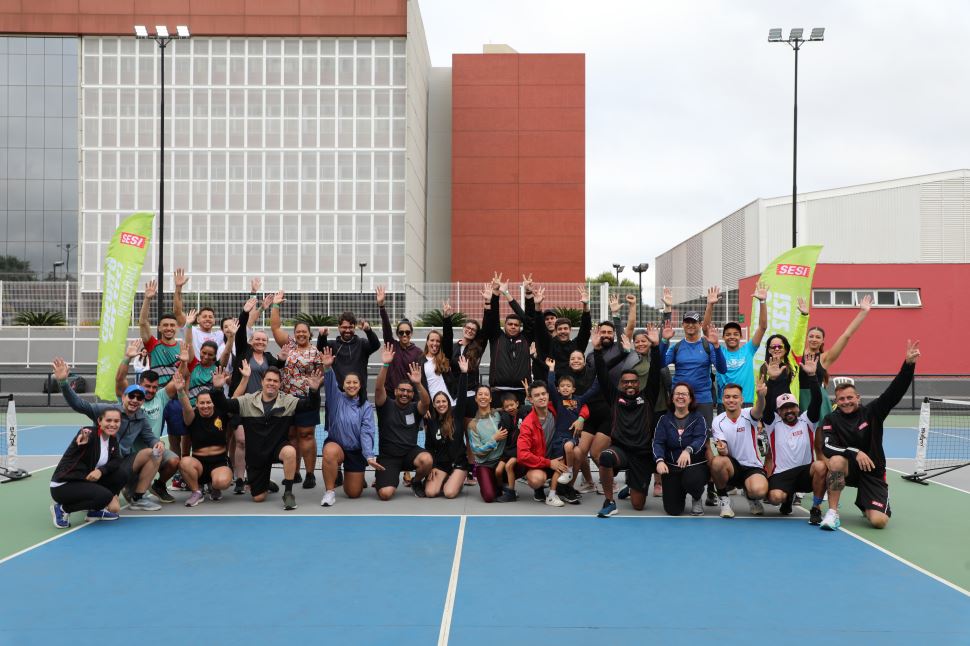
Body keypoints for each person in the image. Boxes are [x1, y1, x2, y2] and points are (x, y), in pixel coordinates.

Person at [819, 340, 920, 531]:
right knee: (836, 461)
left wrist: (908, 365)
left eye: (850, 397)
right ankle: (832, 513)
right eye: (842, 399)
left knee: (879, 522)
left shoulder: (872, 412)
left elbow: (894, 392)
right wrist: (855, 452)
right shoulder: (831, 419)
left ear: (858, 398)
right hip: (849, 469)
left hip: (873, 472)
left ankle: (866, 502)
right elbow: (827, 447)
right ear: (836, 401)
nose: (846, 401)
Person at [53, 357, 169, 512]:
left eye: (139, 398)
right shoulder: (107, 411)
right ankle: (70, 504)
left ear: (142, 401)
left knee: (154, 452)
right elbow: (79, 405)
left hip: (119, 464)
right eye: (131, 396)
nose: (135, 400)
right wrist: (63, 383)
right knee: (113, 507)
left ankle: (138, 498)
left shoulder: (141, 418)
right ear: (123, 397)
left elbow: (150, 437)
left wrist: (158, 443)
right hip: (100, 464)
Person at [209, 366, 322, 510]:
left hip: (277, 449)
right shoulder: (247, 401)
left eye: (275, 381)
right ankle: (265, 483)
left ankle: (288, 493)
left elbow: (311, 405)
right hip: (256, 455)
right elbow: (224, 405)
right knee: (258, 498)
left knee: (290, 452)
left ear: (280, 384)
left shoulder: (287, 401)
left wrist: (314, 391)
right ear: (262, 382)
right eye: (269, 380)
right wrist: (217, 389)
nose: (271, 383)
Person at [591, 326, 664, 517]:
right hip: (621, 450)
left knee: (638, 505)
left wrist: (656, 347)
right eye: (626, 382)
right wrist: (597, 350)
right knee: (605, 457)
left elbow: (655, 372)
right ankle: (609, 501)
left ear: (639, 383)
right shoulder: (614, 397)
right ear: (620, 384)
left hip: (642, 454)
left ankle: (632, 485)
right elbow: (602, 374)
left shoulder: (648, 397)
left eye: (633, 382)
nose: (629, 384)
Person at [113, 341, 184, 502]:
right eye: (147, 386)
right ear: (139, 384)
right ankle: (131, 485)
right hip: (132, 454)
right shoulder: (132, 398)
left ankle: (159, 485)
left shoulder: (161, 396)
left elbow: (177, 380)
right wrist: (127, 358)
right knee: (131, 494)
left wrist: (184, 362)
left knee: (174, 461)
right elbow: (119, 379)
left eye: (154, 387)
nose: (151, 390)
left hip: (154, 449)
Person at [761, 356, 828, 524]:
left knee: (820, 466)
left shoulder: (807, 420)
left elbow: (817, 400)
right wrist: (772, 380)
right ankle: (787, 497)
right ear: (778, 412)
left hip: (805, 473)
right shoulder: (773, 424)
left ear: (798, 408)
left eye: (791, 407)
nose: (789, 411)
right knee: (775, 498)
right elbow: (767, 406)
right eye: (784, 408)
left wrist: (812, 376)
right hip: (782, 474)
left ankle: (816, 508)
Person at [229, 296, 284, 494]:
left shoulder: (269, 358)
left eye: (264, 340)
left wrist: (282, 360)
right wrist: (245, 312)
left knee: (260, 445)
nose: (260, 341)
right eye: (257, 339)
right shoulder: (243, 352)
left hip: (262, 407)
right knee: (241, 441)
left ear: (267, 343)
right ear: (251, 341)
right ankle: (239, 479)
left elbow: (277, 373)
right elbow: (241, 331)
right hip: (242, 403)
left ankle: (258, 478)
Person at [269, 290, 324, 489]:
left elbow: (320, 377)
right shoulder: (289, 346)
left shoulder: (315, 352)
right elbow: (275, 327)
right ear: (294, 334)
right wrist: (275, 305)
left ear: (309, 334)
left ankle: (310, 474)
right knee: (291, 435)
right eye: (298, 331)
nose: (301, 334)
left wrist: (312, 390)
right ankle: (294, 473)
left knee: (306, 434)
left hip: (306, 400)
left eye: (304, 331)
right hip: (286, 399)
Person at [318, 346, 378, 506]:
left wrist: (369, 455)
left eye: (355, 382)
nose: (352, 385)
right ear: (343, 385)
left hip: (355, 451)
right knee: (329, 452)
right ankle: (329, 492)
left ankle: (353, 475)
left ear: (360, 385)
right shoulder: (335, 398)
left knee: (353, 493)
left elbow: (367, 432)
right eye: (348, 382)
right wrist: (327, 368)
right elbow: (330, 383)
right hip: (337, 446)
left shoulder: (365, 406)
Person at [374, 344, 433, 500]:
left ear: (412, 394)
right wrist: (385, 365)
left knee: (427, 460)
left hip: (409, 454)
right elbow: (379, 389)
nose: (405, 393)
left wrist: (418, 383)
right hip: (388, 457)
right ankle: (383, 478)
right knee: (385, 494)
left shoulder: (415, 408)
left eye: (408, 391)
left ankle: (416, 482)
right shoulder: (385, 405)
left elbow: (426, 403)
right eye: (402, 390)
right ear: (395, 391)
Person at [50, 410, 124, 528]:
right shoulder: (91, 434)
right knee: (104, 496)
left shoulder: (112, 439)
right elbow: (84, 434)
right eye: (108, 420)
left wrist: (101, 471)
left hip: (84, 481)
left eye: (116, 421)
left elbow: (116, 460)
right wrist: (82, 437)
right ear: (99, 421)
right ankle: (62, 509)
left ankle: (94, 510)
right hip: (63, 485)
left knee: (121, 474)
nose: (112, 424)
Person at [516, 379, 584, 507]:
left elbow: (581, 405)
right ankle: (539, 489)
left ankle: (565, 487)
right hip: (540, 463)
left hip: (558, 457)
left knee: (577, 452)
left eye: (543, 393)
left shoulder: (557, 407)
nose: (541, 397)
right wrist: (548, 463)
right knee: (536, 479)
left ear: (548, 395)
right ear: (531, 399)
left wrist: (581, 419)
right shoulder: (527, 424)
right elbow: (522, 455)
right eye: (537, 395)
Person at [801, 294, 872, 415]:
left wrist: (863, 312)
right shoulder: (797, 354)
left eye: (818, 337)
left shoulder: (825, 358)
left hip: (818, 400)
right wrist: (803, 315)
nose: (814, 339)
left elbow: (846, 335)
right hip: (798, 397)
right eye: (811, 336)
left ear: (822, 341)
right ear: (807, 338)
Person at [172, 371, 234, 507]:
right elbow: (186, 407)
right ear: (197, 404)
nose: (205, 406)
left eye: (208, 402)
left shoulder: (222, 413)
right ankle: (197, 491)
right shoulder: (192, 416)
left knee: (221, 481)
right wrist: (180, 391)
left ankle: (214, 486)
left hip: (219, 462)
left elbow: (235, 398)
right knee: (184, 462)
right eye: (202, 403)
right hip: (198, 464)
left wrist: (244, 378)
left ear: (213, 403)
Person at [703, 283, 769, 407]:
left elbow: (762, 327)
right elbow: (705, 328)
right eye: (728, 334)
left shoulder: (748, 349)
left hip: (746, 401)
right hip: (725, 402)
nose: (732, 337)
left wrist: (762, 302)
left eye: (735, 334)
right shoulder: (718, 351)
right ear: (723, 337)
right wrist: (710, 305)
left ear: (741, 336)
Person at [709, 383, 769, 519]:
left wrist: (760, 396)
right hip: (732, 467)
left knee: (759, 491)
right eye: (727, 397)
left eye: (735, 397)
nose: (731, 400)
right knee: (717, 462)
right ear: (722, 399)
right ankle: (724, 500)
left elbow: (759, 409)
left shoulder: (749, 414)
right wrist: (722, 449)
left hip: (752, 466)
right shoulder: (718, 421)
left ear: (741, 400)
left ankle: (751, 496)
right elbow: (723, 449)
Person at [653, 382, 710, 516]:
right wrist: (659, 460)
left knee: (691, 480)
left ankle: (696, 497)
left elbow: (700, 438)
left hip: (694, 465)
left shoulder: (698, 418)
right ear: (672, 398)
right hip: (672, 467)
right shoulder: (664, 419)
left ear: (690, 399)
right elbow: (658, 442)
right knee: (673, 510)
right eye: (677, 394)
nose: (680, 397)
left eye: (684, 394)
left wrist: (688, 450)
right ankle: (680, 491)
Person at [545, 357, 598, 489]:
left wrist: (599, 375)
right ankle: (555, 485)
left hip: (571, 436)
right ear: (558, 389)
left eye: (568, 386)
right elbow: (550, 384)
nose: (565, 388)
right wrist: (551, 369)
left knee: (569, 447)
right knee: (558, 460)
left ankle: (569, 472)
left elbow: (593, 390)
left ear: (573, 389)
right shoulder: (557, 400)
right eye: (562, 386)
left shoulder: (579, 400)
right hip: (558, 436)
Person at [424, 356, 472, 499]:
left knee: (449, 493)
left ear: (448, 403)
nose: (441, 404)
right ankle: (446, 478)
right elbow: (429, 446)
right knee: (430, 493)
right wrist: (432, 466)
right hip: (441, 464)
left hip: (458, 463)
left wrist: (464, 373)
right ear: (434, 405)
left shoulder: (457, 415)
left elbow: (462, 396)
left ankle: (458, 479)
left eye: (444, 401)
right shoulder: (431, 422)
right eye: (438, 402)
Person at [481, 273, 533, 406]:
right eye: (510, 324)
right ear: (505, 325)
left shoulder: (525, 338)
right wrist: (495, 293)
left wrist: (508, 294)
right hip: (498, 391)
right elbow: (493, 317)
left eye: (516, 325)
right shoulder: (497, 337)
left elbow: (529, 319)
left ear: (520, 327)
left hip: (522, 391)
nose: (513, 327)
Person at [466, 385, 515, 503]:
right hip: (485, 464)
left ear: (491, 398)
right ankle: (495, 485)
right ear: (476, 399)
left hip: (502, 461)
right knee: (489, 497)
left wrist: (528, 397)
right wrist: (494, 439)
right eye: (480, 394)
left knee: (520, 462)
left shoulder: (500, 414)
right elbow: (477, 451)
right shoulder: (472, 425)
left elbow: (518, 409)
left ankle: (505, 485)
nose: (483, 397)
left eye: (486, 394)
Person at [377, 285, 425, 397]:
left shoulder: (418, 352)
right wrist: (382, 306)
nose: (404, 334)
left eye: (407, 332)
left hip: (408, 395)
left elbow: (421, 376)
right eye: (401, 332)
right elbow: (386, 327)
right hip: (391, 393)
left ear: (411, 333)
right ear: (397, 334)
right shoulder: (392, 345)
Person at [138, 279, 180, 387]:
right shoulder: (153, 345)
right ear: (159, 328)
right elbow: (143, 322)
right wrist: (147, 299)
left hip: (177, 393)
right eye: (165, 325)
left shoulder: (183, 349)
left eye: (172, 325)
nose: (169, 328)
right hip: (157, 392)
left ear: (177, 328)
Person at [494, 391, 529, 502]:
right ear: (503, 408)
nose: (510, 408)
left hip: (519, 449)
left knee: (509, 466)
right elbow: (502, 431)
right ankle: (502, 489)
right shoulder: (505, 417)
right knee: (498, 471)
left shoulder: (524, 413)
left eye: (512, 405)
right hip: (508, 449)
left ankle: (511, 493)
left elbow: (532, 407)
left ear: (517, 404)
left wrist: (529, 396)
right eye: (506, 406)